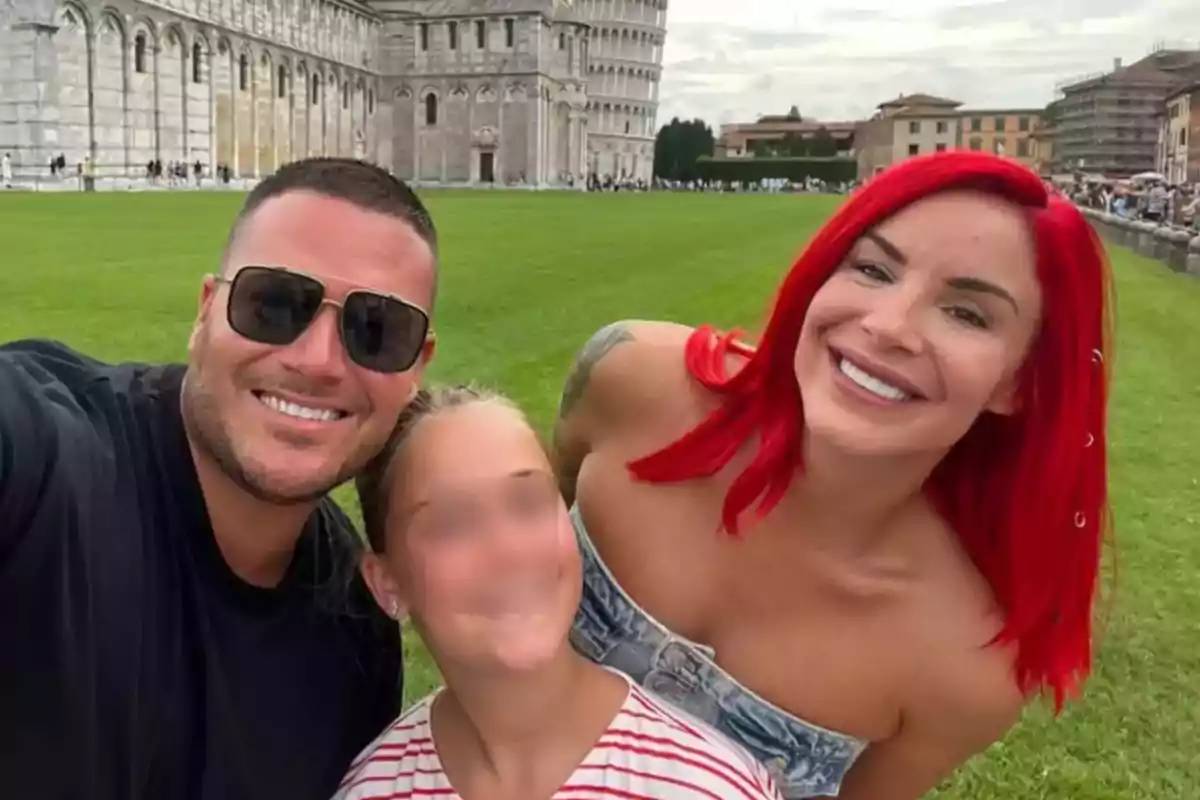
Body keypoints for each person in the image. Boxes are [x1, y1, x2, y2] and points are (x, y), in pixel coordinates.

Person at [552, 151, 1113, 799]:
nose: (888, 326)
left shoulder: (965, 663)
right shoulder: (629, 379)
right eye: (872, 269)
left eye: (967, 313)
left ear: (1020, 383)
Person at [0, 157, 439, 800]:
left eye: (376, 331)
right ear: (208, 311)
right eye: (274, 304)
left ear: (417, 368)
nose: (317, 361)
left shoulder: (355, 629)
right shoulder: (52, 461)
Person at [342, 385, 785, 800]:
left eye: (528, 502)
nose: (508, 549)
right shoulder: (371, 788)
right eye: (452, 524)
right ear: (387, 584)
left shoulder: (708, 785)